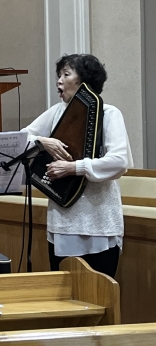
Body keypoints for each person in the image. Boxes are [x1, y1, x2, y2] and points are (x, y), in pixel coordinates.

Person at [22, 54, 131, 278]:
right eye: (58, 75)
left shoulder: (108, 113)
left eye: (66, 74)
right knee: (65, 290)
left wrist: (74, 168)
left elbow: (120, 162)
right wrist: (42, 141)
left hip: (98, 219)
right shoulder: (57, 112)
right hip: (63, 220)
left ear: (84, 81)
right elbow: (21, 138)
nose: (59, 81)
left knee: (99, 289)